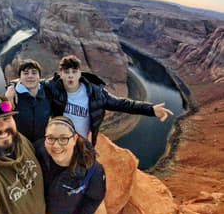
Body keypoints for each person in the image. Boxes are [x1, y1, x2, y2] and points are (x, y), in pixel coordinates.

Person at [43, 55, 173, 146]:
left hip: (83, 143)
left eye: (74, 71)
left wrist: (151, 109)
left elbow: (122, 104)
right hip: (60, 141)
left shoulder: (96, 93)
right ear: (61, 73)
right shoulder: (51, 88)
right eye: (66, 72)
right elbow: (30, 86)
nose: (70, 75)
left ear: (79, 73)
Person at [35, 116, 106, 214]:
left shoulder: (92, 170)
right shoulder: (36, 153)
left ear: (74, 139)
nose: (56, 145)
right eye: (50, 138)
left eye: (63, 138)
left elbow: (94, 198)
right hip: (36, 211)